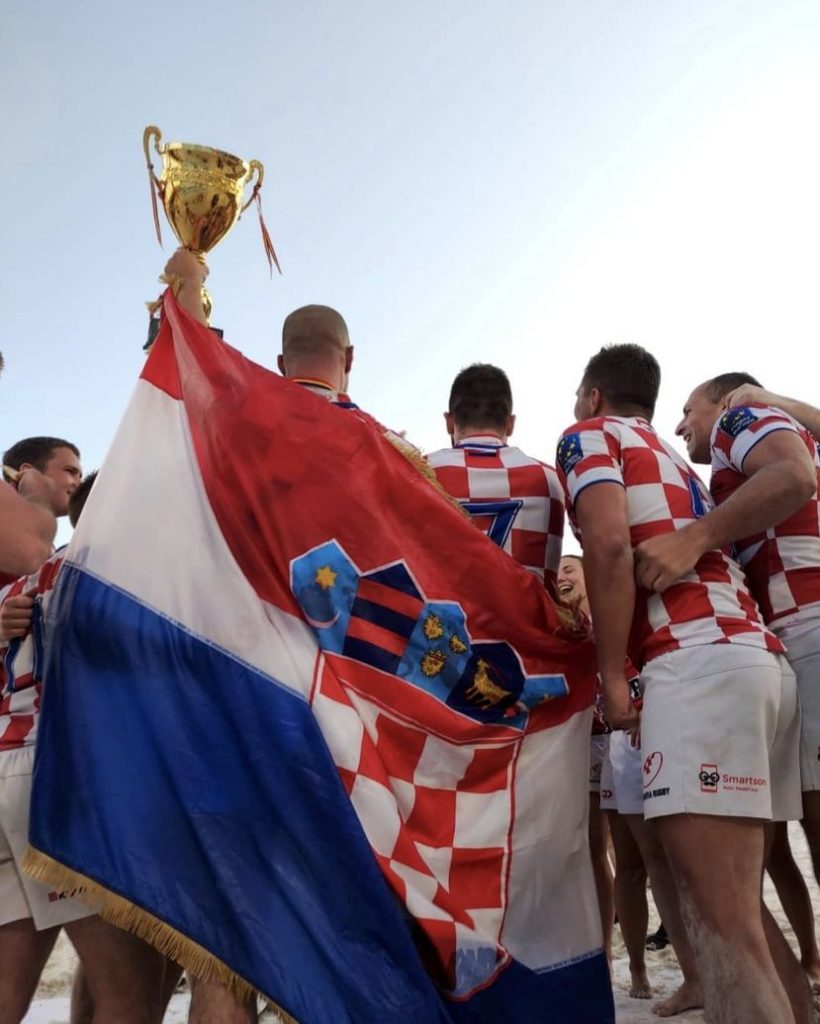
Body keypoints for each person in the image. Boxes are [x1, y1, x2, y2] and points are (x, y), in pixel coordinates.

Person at [557, 344, 806, 1024]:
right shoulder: (674, 460)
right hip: (754, 658)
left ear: (592, 397)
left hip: (695, 665)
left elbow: (609, 546)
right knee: (742, 918)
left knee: (724, 930)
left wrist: (612, 675)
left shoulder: (589, 435)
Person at [635, 371, 820, 991]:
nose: (681, 425)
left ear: (724, 399)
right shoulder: (768, 428)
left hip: (807, 625)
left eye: (689, 410)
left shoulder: (737, 421)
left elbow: (794, 476)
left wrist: (695, 536)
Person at [0, 470, 172, 1024]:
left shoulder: (25, 579)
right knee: (130, 993)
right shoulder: (116, 570)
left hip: (10, 764)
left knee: (7, 988)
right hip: (64, 777)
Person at [427, 363, 565, 591]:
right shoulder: (549, 480)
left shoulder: (419, 472)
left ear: (449, 421)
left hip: (438, 614)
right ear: (510, 424)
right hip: (525, 614)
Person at [556, 556, 616, 964]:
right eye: (557, 572)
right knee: (591, 849)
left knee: (639, 852)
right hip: (577, 744)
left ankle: (611, 949)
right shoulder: (559, 628)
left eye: (569, 570)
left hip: (618, 738)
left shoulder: (613, 617)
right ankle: (602, 949)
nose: (561, 577)